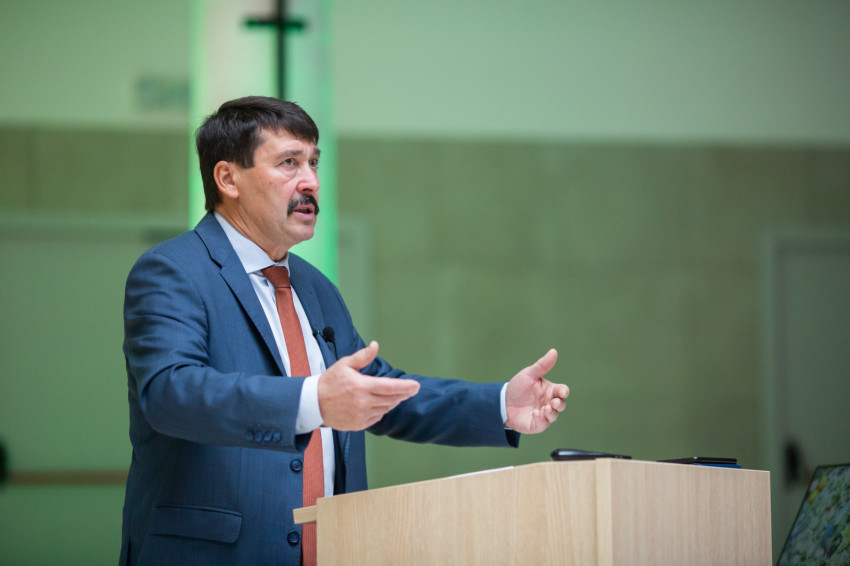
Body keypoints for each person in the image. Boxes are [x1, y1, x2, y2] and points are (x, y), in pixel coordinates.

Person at [120, 95, 569, 565]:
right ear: (228, 178)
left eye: (313, 163)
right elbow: (170, 394)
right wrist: (313, 402)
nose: (311, 182)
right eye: (289, 163)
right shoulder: (173, 270)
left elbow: (380, 393)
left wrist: (500, 404)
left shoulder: (315, 287)